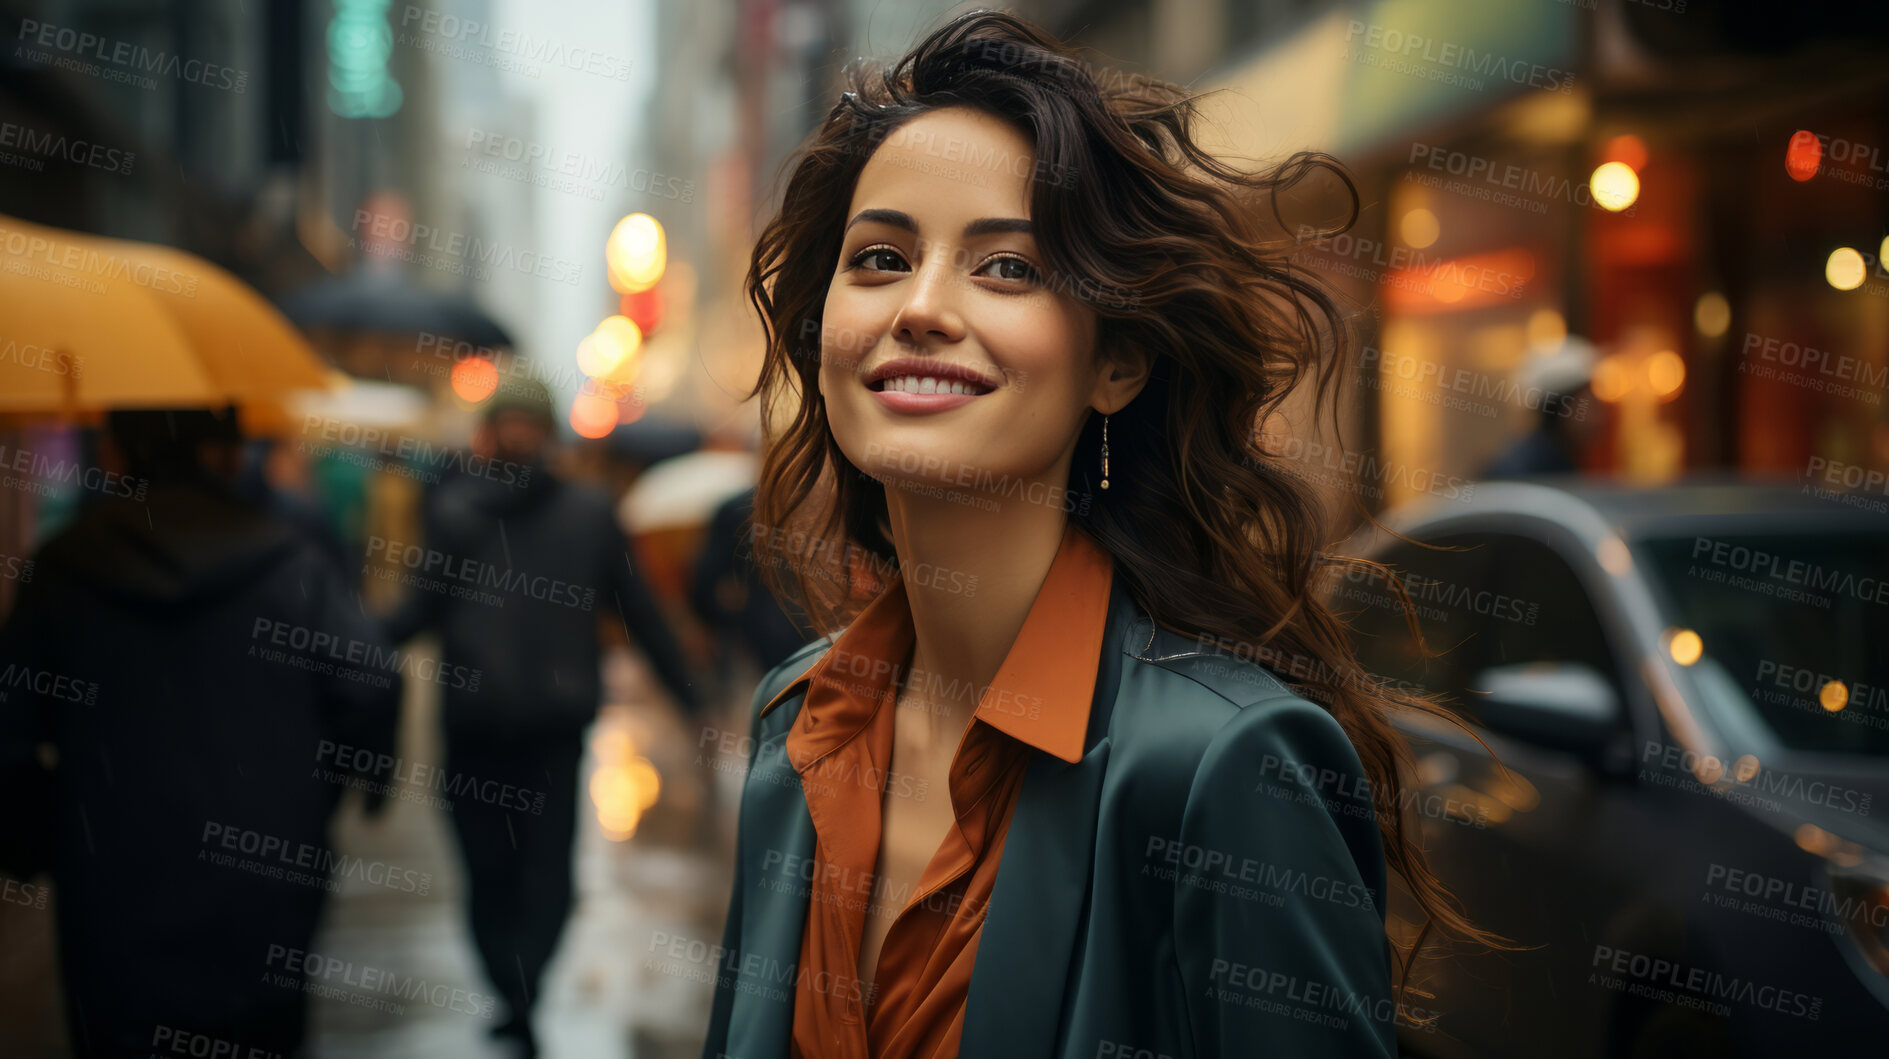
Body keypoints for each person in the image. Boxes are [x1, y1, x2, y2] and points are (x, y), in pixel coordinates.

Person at [702, 12, 1502, 1059]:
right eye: (881, 258)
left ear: (1114, 364)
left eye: (1005, 269)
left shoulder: (1226, 767)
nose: (922, 308)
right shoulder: (794, 728)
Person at [0, 407, 399, 1058]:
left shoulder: (64, 567)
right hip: (265, 873)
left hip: (112, 883)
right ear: (227, 456)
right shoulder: (289, 561)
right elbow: (370, 682)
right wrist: (325, 797)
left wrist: (42, 837)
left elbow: (8, 730)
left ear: (116, 455)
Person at [382, 377, 701, 1057]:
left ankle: (523, 988)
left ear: (546, 431)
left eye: (531, 422)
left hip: (552, 730)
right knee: (487, 870)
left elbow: (636, 607)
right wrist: (347, 645)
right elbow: (419, 607)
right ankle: (510, 987)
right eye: (511, 422)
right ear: (491, 430)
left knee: (545, 871)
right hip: (472, 726)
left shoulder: (590, 514)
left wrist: (689, 693)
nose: (521, 434)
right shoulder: (454, 510)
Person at [689, 486, 810, 676]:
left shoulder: (736, 508)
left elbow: (703, 587)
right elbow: (704, 587)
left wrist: (730, 620)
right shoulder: (823, 496)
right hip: (825, 623)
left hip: (771, 628)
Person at [1482, 336, 1602, 478]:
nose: (1600, 415)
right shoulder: (1527, 468)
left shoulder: (1556, 457)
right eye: (1591, 403)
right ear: (1561, 406)